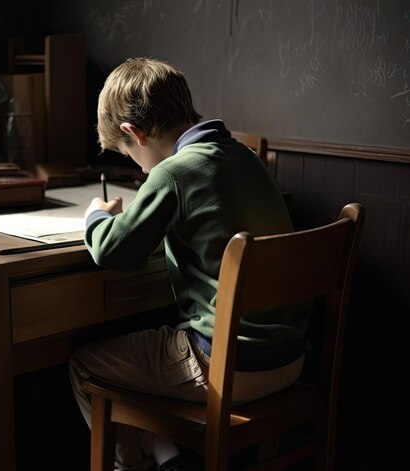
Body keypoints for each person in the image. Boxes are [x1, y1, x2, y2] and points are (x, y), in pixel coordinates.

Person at [69, 57, 310, 471]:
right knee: (144, 365)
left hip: (226, 366)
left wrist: (97, 215)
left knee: (86, 366)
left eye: (129, 154)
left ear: (135, 133)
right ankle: (168, 457)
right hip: (290, 359)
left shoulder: (173, 173)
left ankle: (144, 464)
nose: (137, 166)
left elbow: (112, 250)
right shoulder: (245, 156)